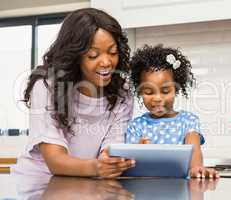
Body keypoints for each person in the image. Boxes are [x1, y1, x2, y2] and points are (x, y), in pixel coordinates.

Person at [12, 8, 135, 178]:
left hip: (88, 181)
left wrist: (111, 160)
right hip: (40, 181)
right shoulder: (46, 86)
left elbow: (113, 144)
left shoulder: (123, 93)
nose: (106, 62)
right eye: (93, 55)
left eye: (113, 52)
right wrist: (97, 168)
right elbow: (55, 160)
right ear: (74, 56)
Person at [126, 44, 219, 179]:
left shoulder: (188, 121)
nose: (157, 98)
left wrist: (196, 169)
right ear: (140, 92)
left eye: (165, 91)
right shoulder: (136, 125)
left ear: (177, 89)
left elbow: (194, 150)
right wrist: (139, 150)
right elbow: (129, 163)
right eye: (148, 92)